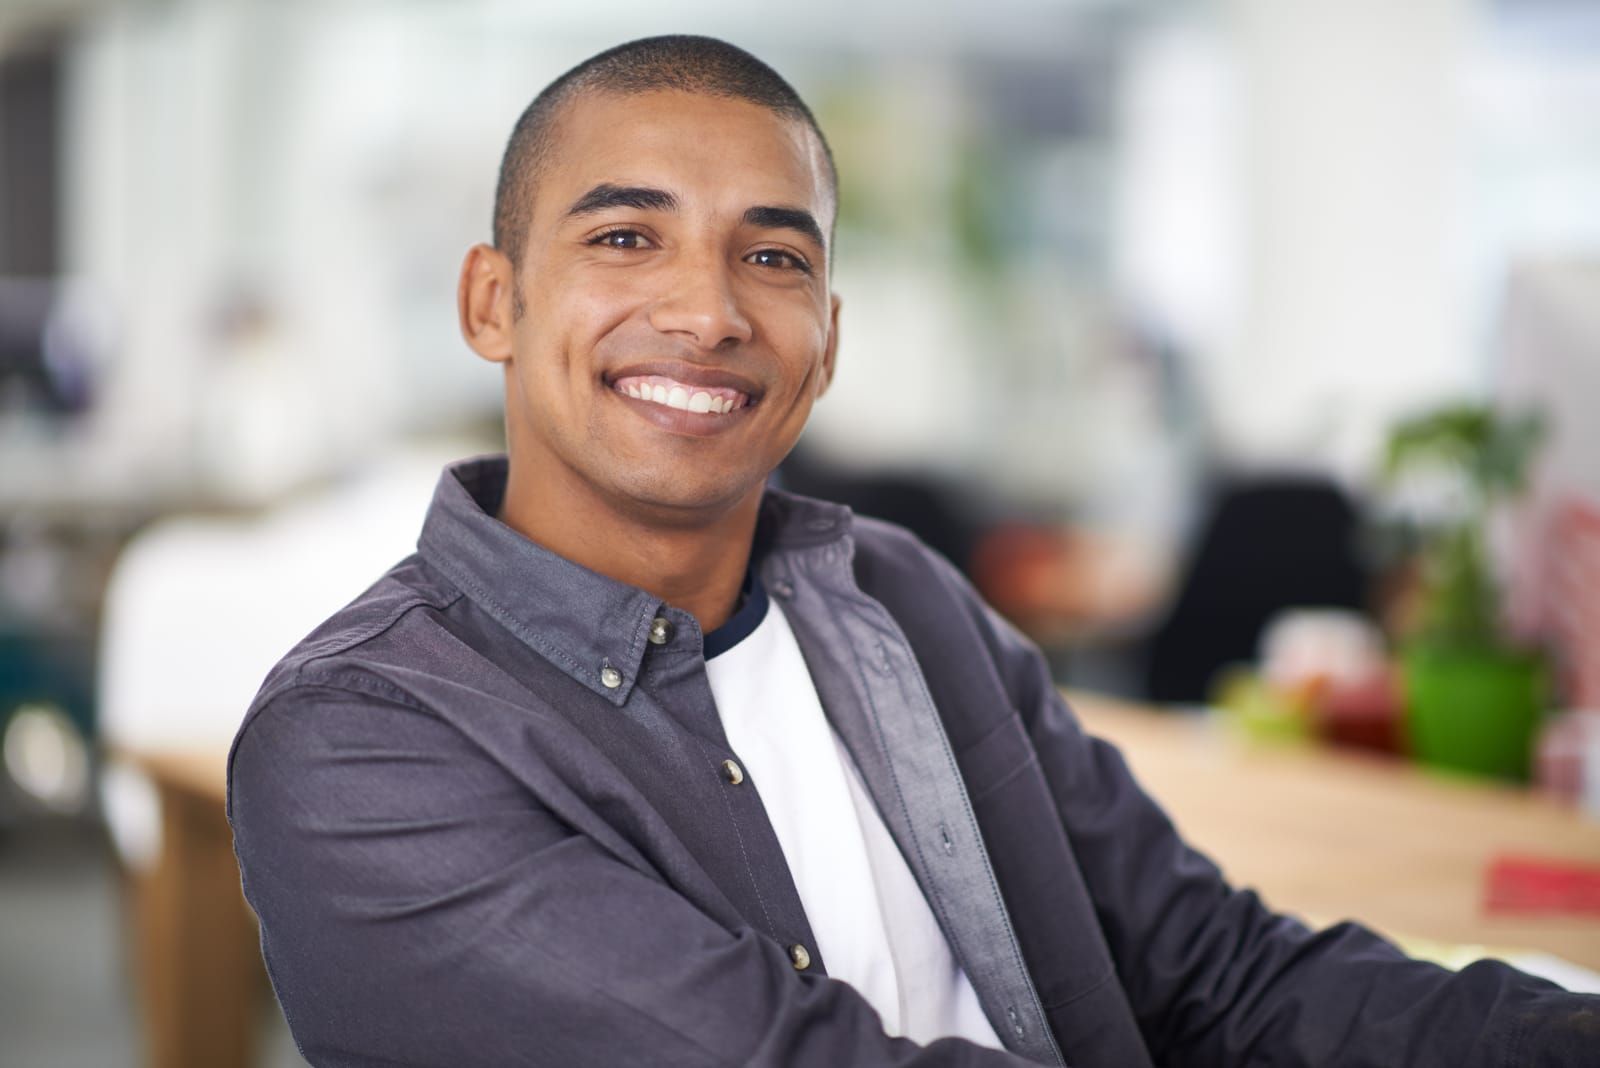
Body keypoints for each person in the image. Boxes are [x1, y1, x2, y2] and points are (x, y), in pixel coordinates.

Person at [228, 35, 1595, 1067]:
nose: (706, 312)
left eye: (773, 259)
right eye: (627, 236)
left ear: (827, 337)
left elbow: (1212, 972)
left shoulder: (893, 598)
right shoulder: (361, 744)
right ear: (492, 301)